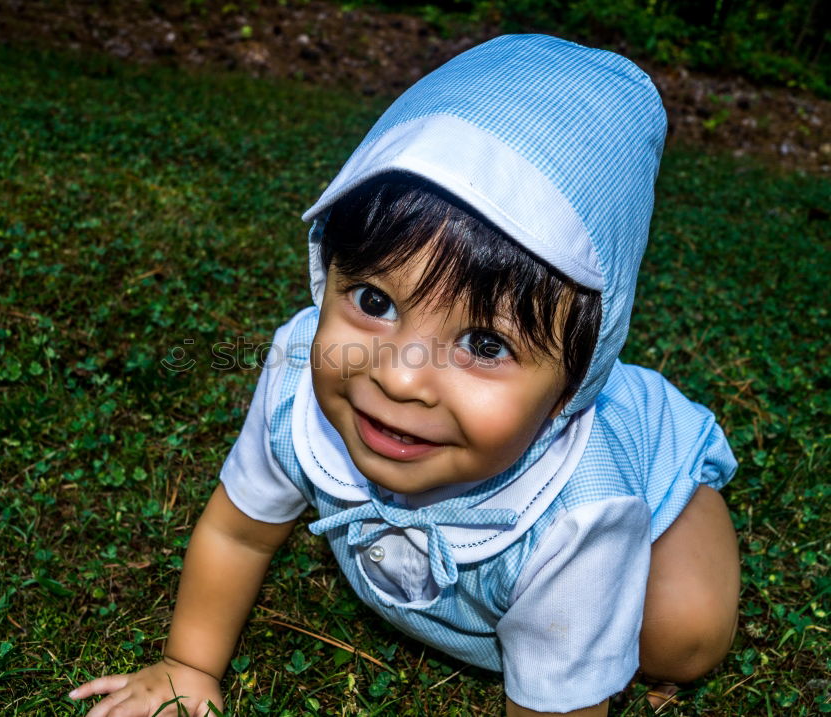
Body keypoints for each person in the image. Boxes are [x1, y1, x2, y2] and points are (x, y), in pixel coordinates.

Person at [69, 34, 740, 716]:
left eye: (483, 341)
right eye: (374, 301)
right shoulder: (299, 374)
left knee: (681, 638)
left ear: (570, 384)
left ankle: (689, 492)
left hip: (654, 475)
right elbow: (237, 531)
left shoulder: (577, 515)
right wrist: (188, 663)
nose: (399, 377)